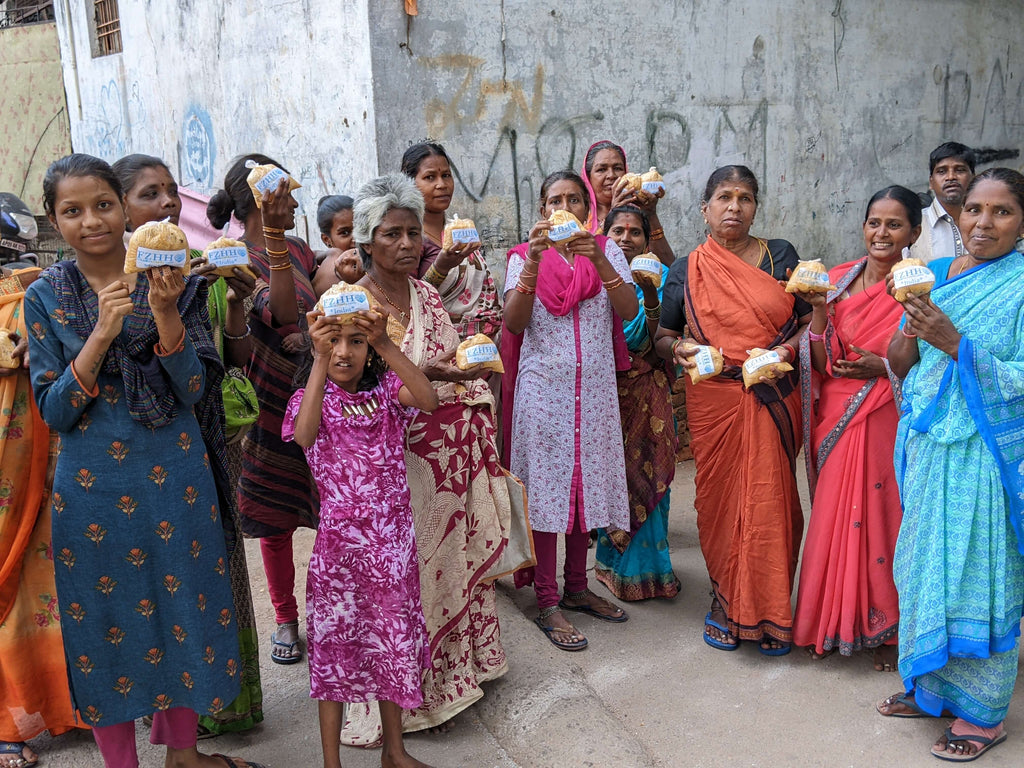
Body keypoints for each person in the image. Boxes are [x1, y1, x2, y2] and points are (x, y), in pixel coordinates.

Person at [25, 153, 263, 768]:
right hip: (94, 487)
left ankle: (183, 756)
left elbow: (192, 390)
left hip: (175, 475)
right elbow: (54, 412)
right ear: (54, 220)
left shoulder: (171, 273)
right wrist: (101, 335)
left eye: (102, 205)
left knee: (184, 607)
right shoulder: (45, 297)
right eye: (72, 211)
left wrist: (163, 315)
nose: (92, 221)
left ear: (121, 208)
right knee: (106, 624)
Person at [340, 174, 508, 741]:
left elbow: (445, 365)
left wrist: (463, 379)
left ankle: (457, 676)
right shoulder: (348, 306)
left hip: (443, 463)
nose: (408, 243)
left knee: (446, 566)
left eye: (413, 232)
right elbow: (345, 392)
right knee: (399, 582)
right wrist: (421, 377)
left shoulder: (429, 297)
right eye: (392, 234)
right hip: (385, 470)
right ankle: (405, 698)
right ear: (365, 241)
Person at [876, 168, 1024, 762]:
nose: (983, 223)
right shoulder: (934, 277)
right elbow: (900, 361)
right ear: (957, 218)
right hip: (929, 445)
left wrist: (957, 342)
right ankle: (932, 686)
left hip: (984, 456)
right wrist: (915, 324)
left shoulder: (1019, 287)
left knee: (978, 575)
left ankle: (984, 717)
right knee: (924, 565)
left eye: (1002, 212)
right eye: (974, 212)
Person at [114, 153, 264, 734]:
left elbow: (229, 364)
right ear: (123, 211)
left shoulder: (197, 278)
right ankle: (169, 721)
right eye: (149, 195)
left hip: (202, 440)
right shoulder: (106, 289)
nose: (168, 205)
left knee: (216, 569)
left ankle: (226, 709)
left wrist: (238, 303)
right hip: (136, 456)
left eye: (172, 193)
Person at [656, 165, 808, 655]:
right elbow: (664, 335)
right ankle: (725, 601)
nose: (734, 207)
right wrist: (676, 350)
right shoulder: (686, 268)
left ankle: (772, 610)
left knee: (771, 498)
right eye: (724, 197)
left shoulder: (779, 255)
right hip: (715, 396)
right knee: (720, 503)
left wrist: (784, 354)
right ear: (705, 208)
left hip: (771, 393)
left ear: (756, 208)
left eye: (745, 198)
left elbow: (809, 323)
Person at [284, 307, 438, 768]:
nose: (344, 352)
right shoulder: (307, 400)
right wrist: (316, 358)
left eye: (356, 341)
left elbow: (428, 399)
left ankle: (395, 752)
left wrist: (388, 344)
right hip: (340, 555)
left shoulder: (388, 392)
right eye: (335, 341)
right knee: (334, 655)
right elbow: (307, 435)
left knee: (390, 647)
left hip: (392, 551)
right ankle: (332, 764)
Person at [502, 170, 637, 651]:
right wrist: (533, 267)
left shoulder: (606, 251)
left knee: (585, 488)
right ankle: (547, 599)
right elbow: (514, 324)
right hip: (544, 395)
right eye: (556, 199)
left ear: (587, 209)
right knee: (545, 491)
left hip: (595, 391)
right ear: (542, 211)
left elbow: (627, 310)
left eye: (575, 199)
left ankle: (577, 587)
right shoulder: (522, 257)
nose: (566, 206)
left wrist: (599, 257)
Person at [791, 186, 922, 669]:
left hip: (886, 410)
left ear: (914, 231)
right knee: (834, 512)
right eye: (874, 222)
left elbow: (918, 364)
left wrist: (881, 367)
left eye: (894, 224)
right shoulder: (840, 279)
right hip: (838, 416)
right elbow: (823, 363)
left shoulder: (919, 287)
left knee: (883, 513)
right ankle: (829, 620)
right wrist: (821, 309)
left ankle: (883, 626)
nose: (881, 233)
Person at [208, 154, 318, 666]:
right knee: (274, 521)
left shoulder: (297, 247)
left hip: (310, 397)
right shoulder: (235, 258)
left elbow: (312, 304)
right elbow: (280, 310)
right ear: (262, 199)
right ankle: (286, 618)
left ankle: (329, 609)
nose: (295, 202)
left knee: (326, 509)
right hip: (265, 400)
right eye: (287, 194)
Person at [0, 265, 82, 768]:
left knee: (55, 576)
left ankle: (73, 705)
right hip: (9, 468)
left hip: (48, 451)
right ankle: (8, 721)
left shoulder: (34, 284)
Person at [593, 205, 680, 601]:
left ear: (647, 241)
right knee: (614, 479)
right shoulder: (591, 279)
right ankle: (611, 564)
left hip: (648, 392)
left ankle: (650, 571)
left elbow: (651, 341)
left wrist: (647, 292)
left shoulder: (661, 280)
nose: (626, 238)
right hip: (606, 395)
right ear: (604, 235)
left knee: (649, 475)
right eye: (617, 231)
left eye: (635, 232)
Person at [400, 143, 501, 340]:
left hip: (483, 347)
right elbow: (405, 301)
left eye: (446, 175)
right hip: (437, 349)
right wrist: (440, 267)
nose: (442, 184)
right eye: (430, 177)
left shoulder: (460, 230)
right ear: (410, 183)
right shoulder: (409, 239)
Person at [579, 140, 675, 265]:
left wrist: (650, 214)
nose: (611, 175)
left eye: (617, 168)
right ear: (588, 177)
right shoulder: (580, 217)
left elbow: (669, 266)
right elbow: (580, 264)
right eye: (601, 169)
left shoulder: (636, 215)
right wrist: (612, 216)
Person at [908, 142, 975, 264]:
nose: (951, 177)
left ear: (973, 179)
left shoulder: (985, 223)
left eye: (960, 170)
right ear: (931, 182)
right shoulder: (914, 224)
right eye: (941, 171)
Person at [311, 195, 362, 295]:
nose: (356, 238)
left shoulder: (330, 255)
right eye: (345, 233)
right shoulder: (339, 272)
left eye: (360, 229)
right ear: (327, 240)